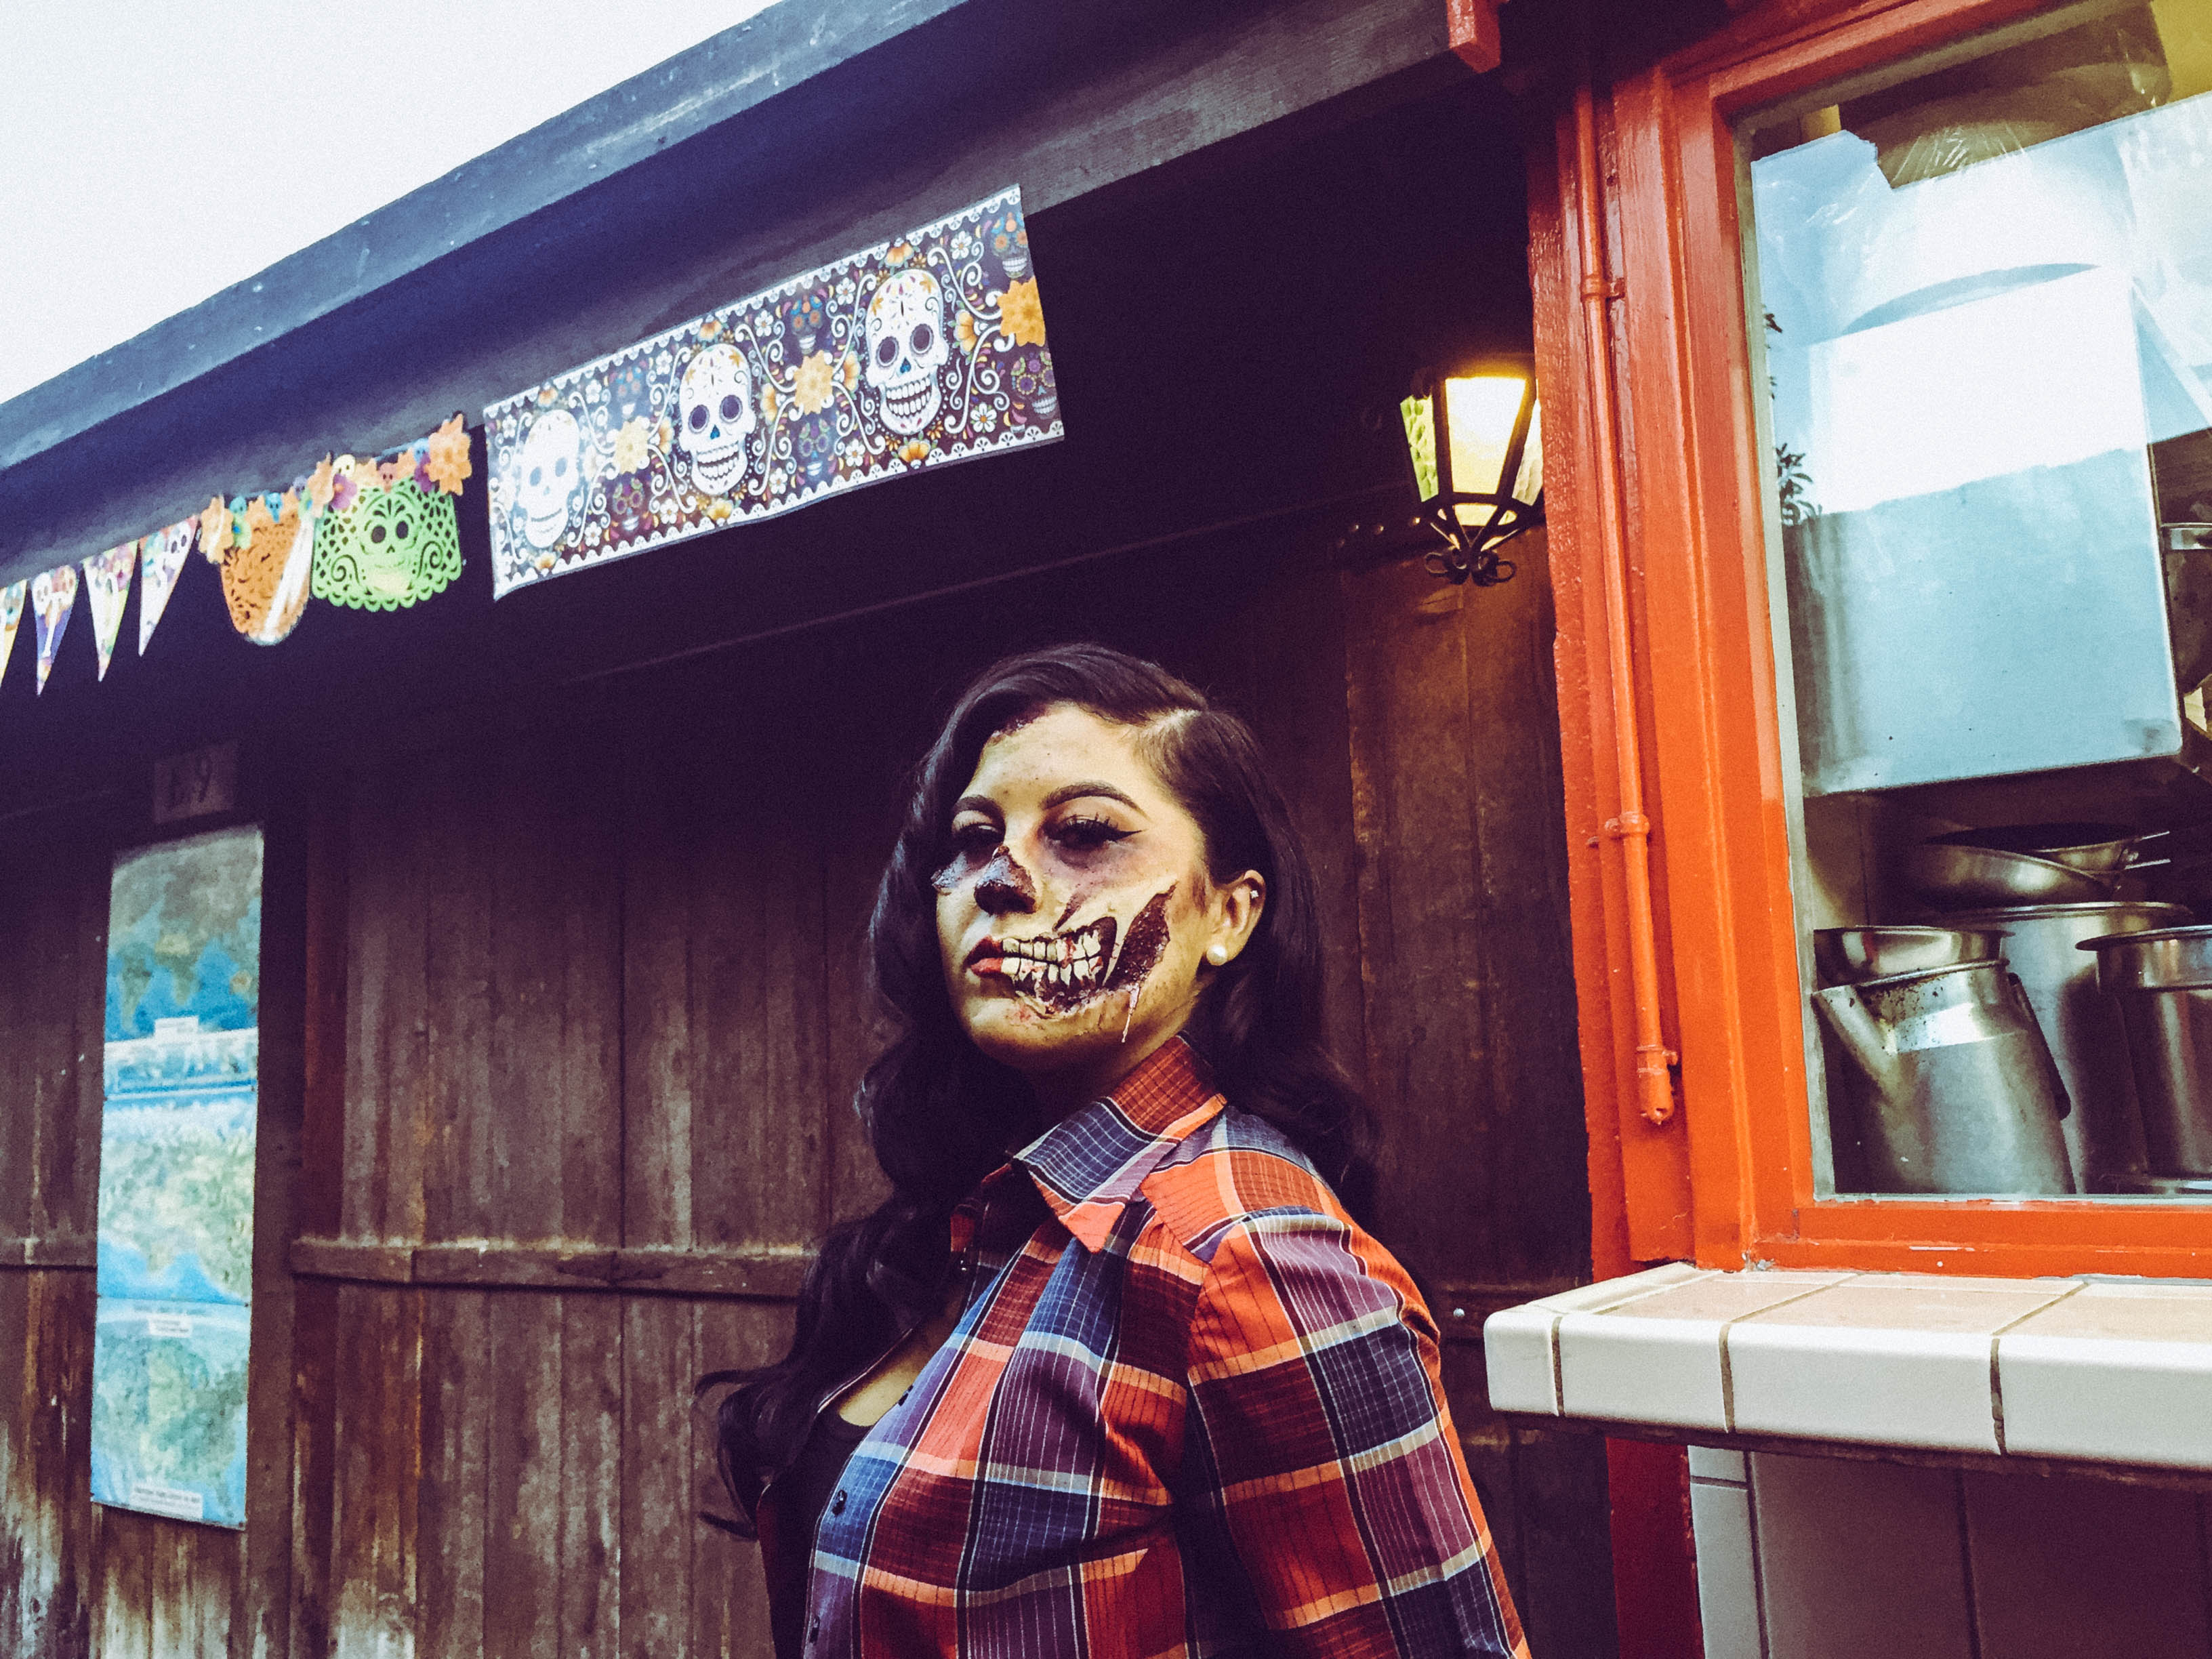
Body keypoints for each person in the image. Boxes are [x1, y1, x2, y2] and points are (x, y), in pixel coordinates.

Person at [701, 644, 1528, 1659]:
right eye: (973, 839)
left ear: (1230, 915)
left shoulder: (1246, 1256)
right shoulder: (986, 1213)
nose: (1000, 881)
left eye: (1085, 833)